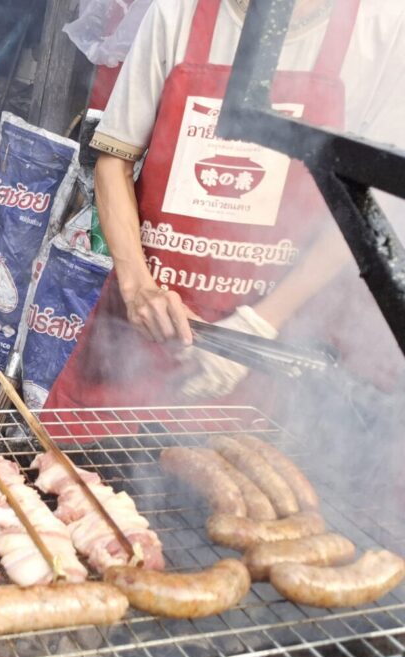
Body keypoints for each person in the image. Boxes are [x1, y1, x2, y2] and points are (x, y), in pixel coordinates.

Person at [44, 0, 405, 413]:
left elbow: (371, 208)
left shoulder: (383, 28)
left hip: (273, 349)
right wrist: (138, 288)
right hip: (143, 331)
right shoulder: (177, 11)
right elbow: (113, 161)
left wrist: (262, 323)